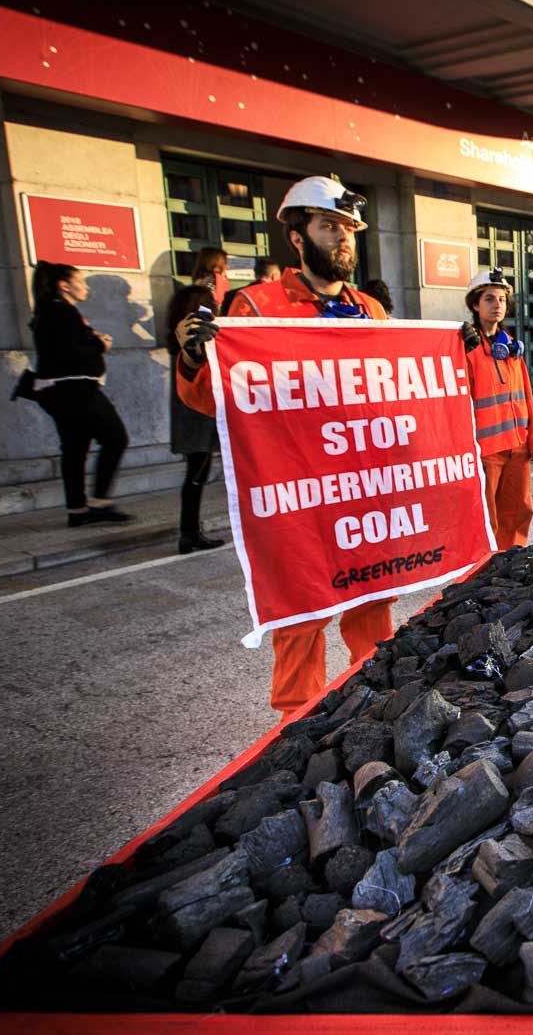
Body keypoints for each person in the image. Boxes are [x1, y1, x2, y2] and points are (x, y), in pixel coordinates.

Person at [174, 175, 392, 720]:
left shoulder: (371, 309)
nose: (342, 239)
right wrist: (196, 359)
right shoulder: (256, 305)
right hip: (295, 495)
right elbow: (212, 398)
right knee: (301, 615)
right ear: (297, 238)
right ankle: (299, 728)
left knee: (373, 608)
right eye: (328, 226)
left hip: (362, 488)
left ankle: (382, 710)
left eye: (348, 230)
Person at [28, 262, 132, 527]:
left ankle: (77, 509)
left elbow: (61, 346)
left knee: (75, 448)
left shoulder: (51, 310)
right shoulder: (60, 310)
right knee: (115, 437)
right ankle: (99, 502)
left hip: (59, 390)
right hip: (75, 388)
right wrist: (100, 344)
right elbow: (69, 351)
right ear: (64, 285)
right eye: (81, 281)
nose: (85, 287)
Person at [463, 268, 533, 547]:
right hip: (486, 450)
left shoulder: (510, 347)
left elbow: (526, 395)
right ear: (475, 304)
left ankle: (514, 563)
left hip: (517, 446)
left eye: (501, 299)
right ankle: (486, 569)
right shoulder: (465, 347)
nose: (497, 305)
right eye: (489, 298)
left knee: (519, 510)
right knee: (487, 517)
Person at [164, 251, 229, 555]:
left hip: (190, 410)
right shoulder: (193, 340)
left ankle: (190, 531)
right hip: (196, 411)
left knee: (197, 472)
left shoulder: (181, 335)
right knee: (197, 472)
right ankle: (189, 532)